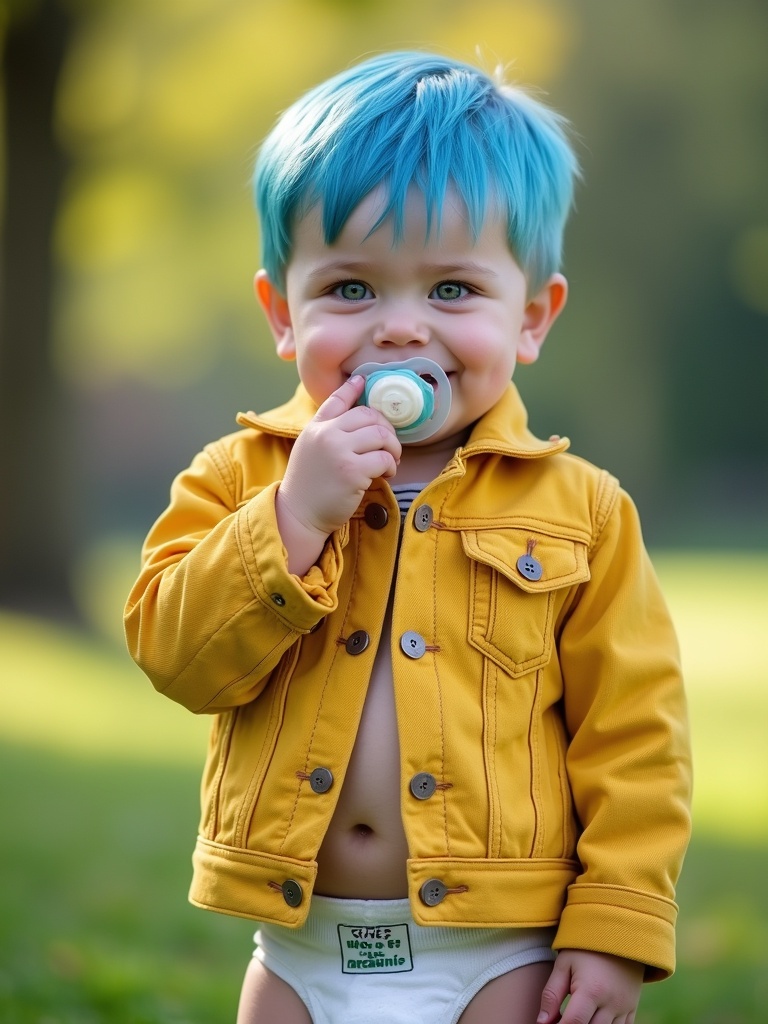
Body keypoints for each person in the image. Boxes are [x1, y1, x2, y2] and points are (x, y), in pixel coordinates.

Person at [125, 50, 692, 1024]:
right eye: (349, 289)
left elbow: (635, 739)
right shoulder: (239, 479)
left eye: (452, 291)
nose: (397, 328)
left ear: (532, 318)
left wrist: (616, 927)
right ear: (280, 312)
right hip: (298, 951)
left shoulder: (584, 512)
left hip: (500, 952)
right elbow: (176, 657)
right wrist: (293, 520)